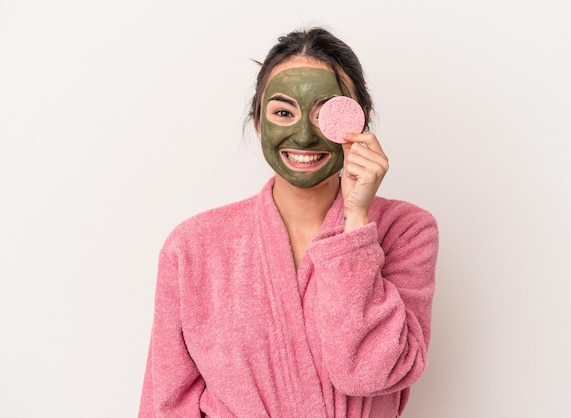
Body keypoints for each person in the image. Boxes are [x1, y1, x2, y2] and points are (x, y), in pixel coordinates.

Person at [139, 27, 438, 418]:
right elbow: (167, 403)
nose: (303, 134)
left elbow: (370, 374)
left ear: (358, 122)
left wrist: (356, 221)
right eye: (283, 112)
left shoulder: (406, 230)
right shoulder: (192, 246)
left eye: (325, 113)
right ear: (259, 121)